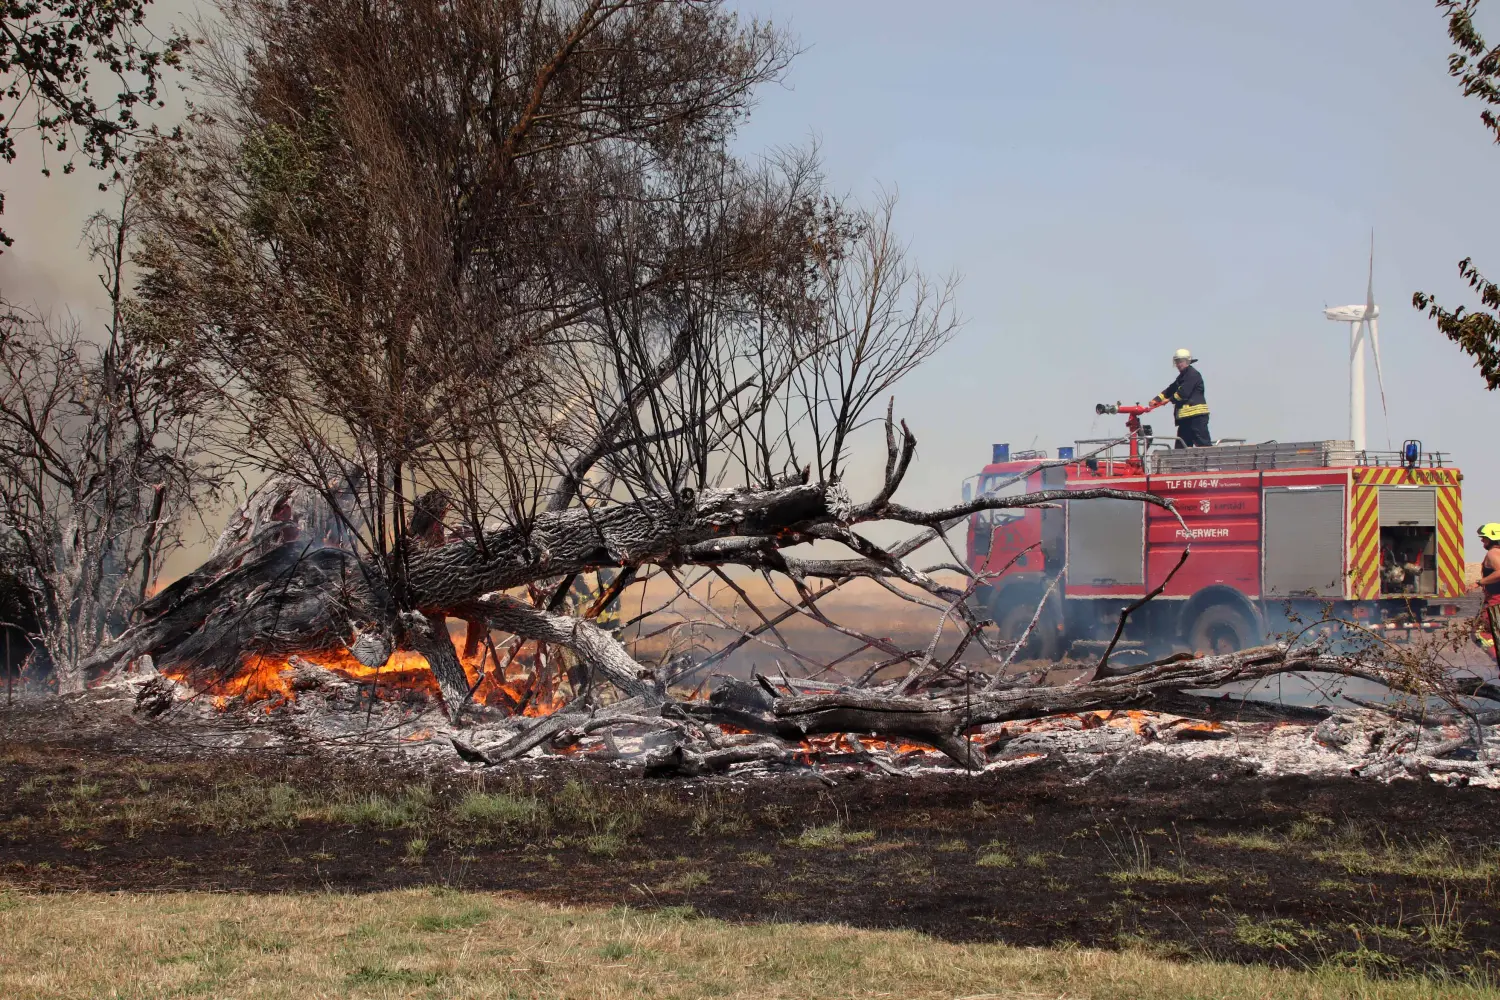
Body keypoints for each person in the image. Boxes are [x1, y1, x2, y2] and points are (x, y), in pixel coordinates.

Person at [1153, 348, 1211, 448]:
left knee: (1203, 446)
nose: (1178, 364)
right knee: (1181, 448)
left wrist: (1169, 400)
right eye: (1177, 362)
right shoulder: (1182, 377)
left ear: (1188, 361)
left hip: (1197, 417)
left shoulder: (1193, 375)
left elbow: (1183, 393)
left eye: (1180, 362)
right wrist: (1157, 399)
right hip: (1185, 419)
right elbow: (1171, 389)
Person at [1477, 523, 1500, 666]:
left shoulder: (1493, 553)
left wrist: (1481, 582)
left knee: (1481, 633)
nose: (1482, 541)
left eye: (1484, 538)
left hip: (1496, 600)